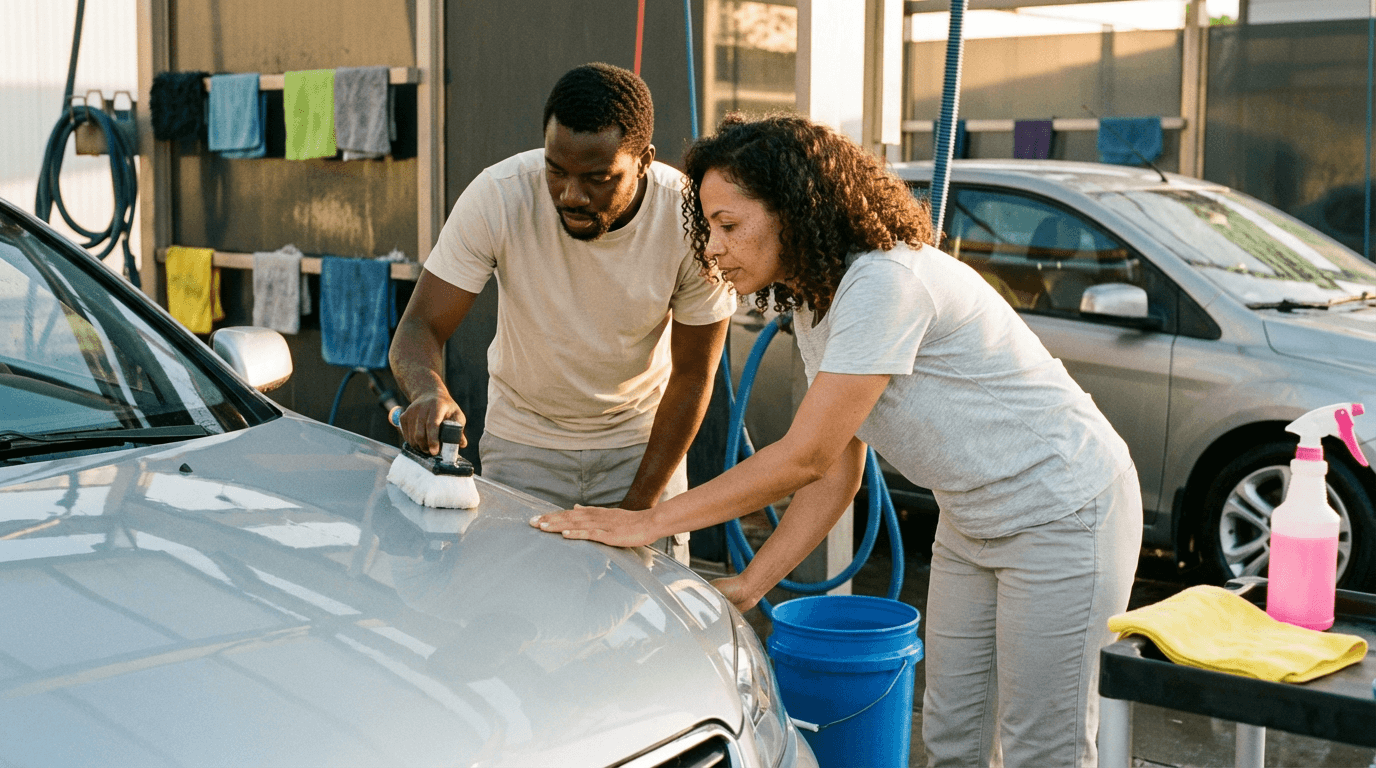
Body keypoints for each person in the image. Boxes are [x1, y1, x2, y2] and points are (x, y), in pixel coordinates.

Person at [531, 114, 1142, 767]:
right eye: (707, 226)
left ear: (795, 211)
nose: (711, 247)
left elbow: (803, 457)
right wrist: (753, 582)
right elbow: (836, 475)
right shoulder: (818, 302)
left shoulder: (886, 282)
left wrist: (645, 522)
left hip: (1066, 511)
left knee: (1040, 752)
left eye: (729, 225)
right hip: (972, 525)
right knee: (952, 744)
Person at [390, 63, 735, 564]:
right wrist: (428, 390)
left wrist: (637, 513)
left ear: (643, 162)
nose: (571, 194)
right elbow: (421, 325)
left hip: (640, 448)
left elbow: (694, 374)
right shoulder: (500, 195)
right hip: (524, 445)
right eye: (557, 171)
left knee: (642, 628)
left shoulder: (688, 216)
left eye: (599, 178)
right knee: (521, 621)